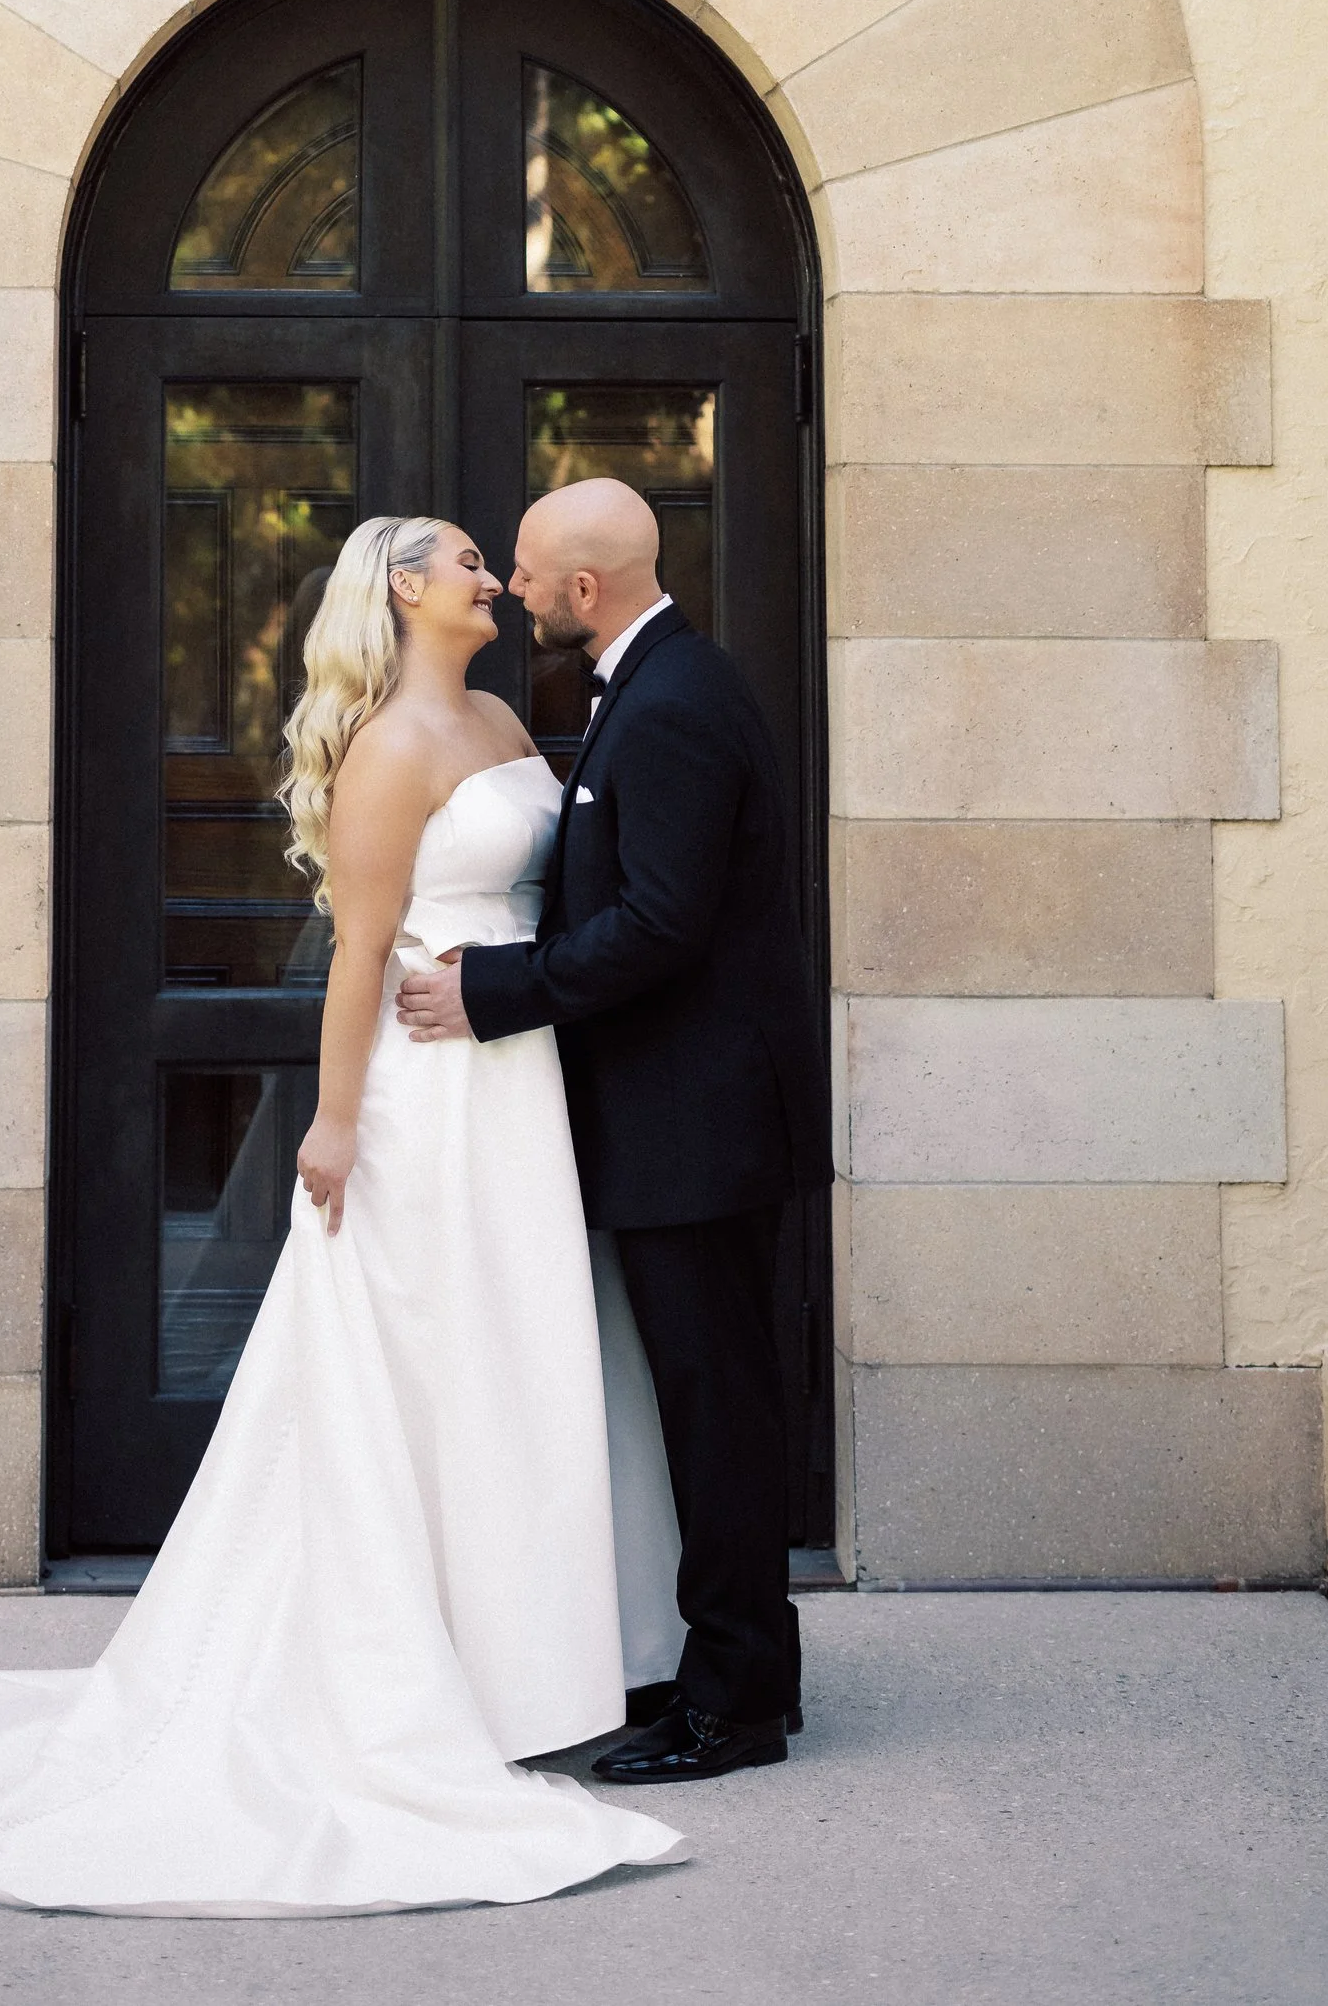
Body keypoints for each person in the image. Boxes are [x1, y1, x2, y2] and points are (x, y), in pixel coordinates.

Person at [0, 515, 687, 1917]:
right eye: (467, 560)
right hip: (429, 1095)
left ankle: (526, 1654)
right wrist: (339, 1123)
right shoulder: (392, 752)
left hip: (522, 1081)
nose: (489, 578)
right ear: (407, 591)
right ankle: (407, 1672)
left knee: (516, 1355)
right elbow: (359, 954)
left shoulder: (504, 723)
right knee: (414, 1361)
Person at [398, 476, 831, 1786]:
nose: (515, 591)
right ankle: (731, 1673)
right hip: (677, 1125)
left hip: (700, 1132)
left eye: (526, 571)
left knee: (719, 1414)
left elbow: (662, 926)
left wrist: (490, 990)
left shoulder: (679, 704)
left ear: (584, 589)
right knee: (706, 1407)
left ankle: (736, 1706)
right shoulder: (658, 689)